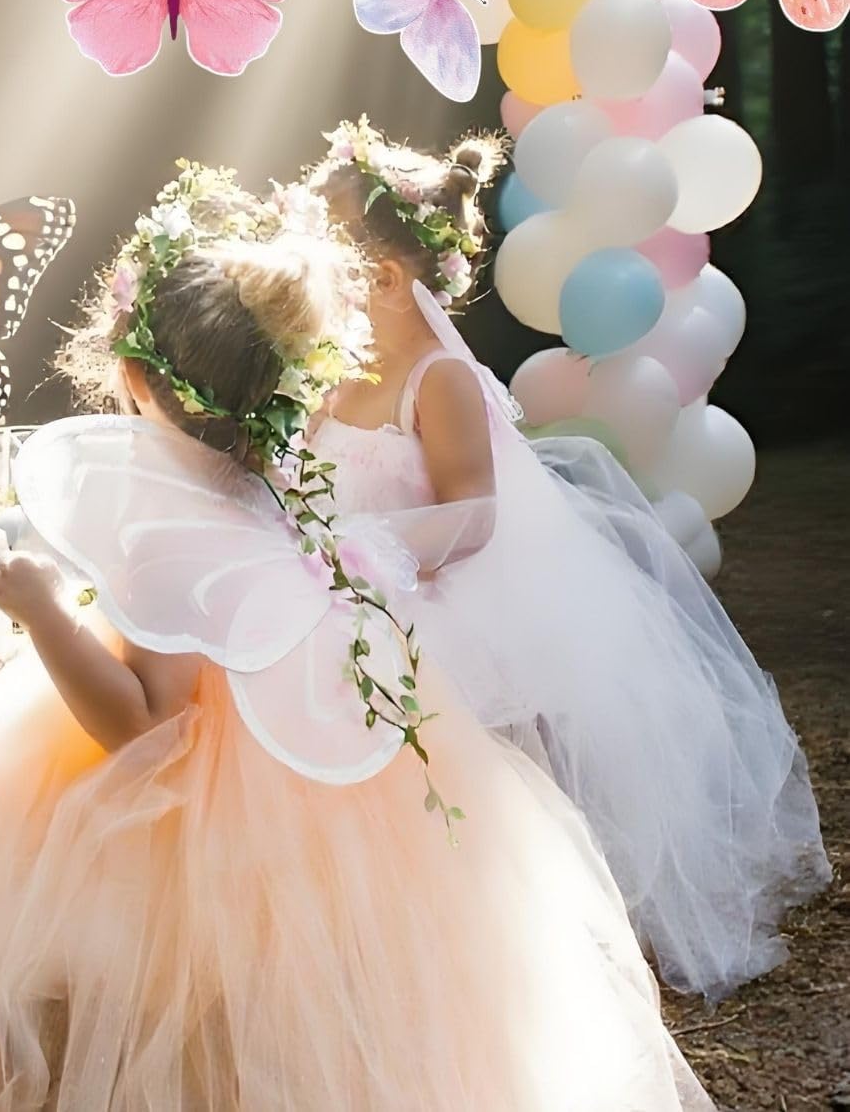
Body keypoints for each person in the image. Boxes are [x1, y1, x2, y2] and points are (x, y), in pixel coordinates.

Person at [0, 166, 711, 1112]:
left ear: (132, 377)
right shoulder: (268, 497)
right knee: (268, 1031)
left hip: (192, 828)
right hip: (318, 815)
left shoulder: (174, 540)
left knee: (133, 1002)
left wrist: (41, 611)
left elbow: (140, 724)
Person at [303, 117, 829, 1000]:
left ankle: (469, 930)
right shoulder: (333, 370)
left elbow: (474, 512)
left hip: (420, 590)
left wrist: (371, 552)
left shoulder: (438, 379)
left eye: (323, 253)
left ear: (385, 276)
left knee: (448, 774)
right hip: (341, 587)